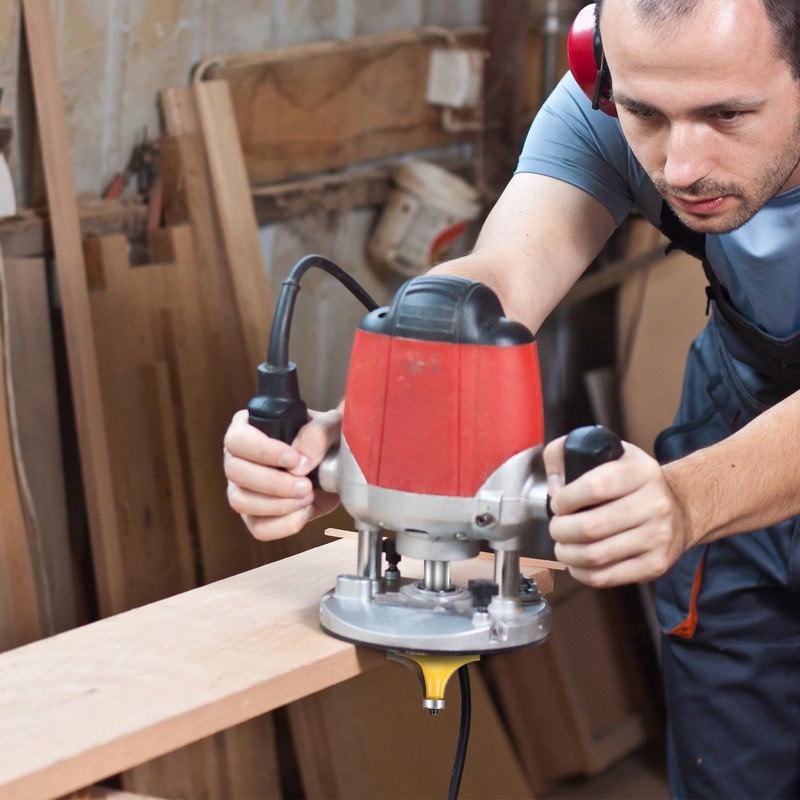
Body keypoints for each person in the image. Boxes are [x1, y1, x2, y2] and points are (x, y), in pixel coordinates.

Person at [223, 0, 800, 797]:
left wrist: (688, 499)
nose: (678, 167)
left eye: (727, 115)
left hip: (713, 485)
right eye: (645, 114)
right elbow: (500, 280)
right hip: (733, 421)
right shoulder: (614, 96)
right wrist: (380, 423)